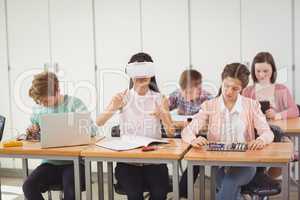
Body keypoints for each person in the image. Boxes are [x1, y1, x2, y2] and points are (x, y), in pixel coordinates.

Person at [182, 63, 274, 200]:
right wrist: (193, 139)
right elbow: (187, 131)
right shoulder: (209, 106)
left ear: (242, 88)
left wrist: (261, 140)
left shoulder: (251, 105)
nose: (229, 92)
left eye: (235, 88)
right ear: (222, 82)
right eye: (226, 86)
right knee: (229, 188)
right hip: (219, 165)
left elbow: (268, 133)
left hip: (246, 164)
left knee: (229, 183)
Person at [96, 52, 175, 200]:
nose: (141, 76)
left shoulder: (160, 98)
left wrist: (163, 115)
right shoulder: (122, 97)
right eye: (137, 71)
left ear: (151, 73)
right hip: (128, 163)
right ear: (131, 74)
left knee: (159, 195)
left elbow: (171, 133)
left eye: (145, 71)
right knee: (134, 196)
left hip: (155, 162)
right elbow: (99, 122)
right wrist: (113, 107)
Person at [22, 71, 96, 200]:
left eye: (45, 100)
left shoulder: (74, 104)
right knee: (28, 186)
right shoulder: (39, 110)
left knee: (70, 188)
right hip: (49, 163)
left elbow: (93, 131)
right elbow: (32, 136)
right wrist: (32, 132)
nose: (43, 104)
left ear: (57, 90)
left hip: (74, 163)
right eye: (40, 101)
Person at [243, 52, 299, 120]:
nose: (261, 75)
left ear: (273, 70)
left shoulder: (282, 89)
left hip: (278, 128)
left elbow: (295, 111)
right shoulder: (247, 91)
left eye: (265, 71)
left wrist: (277, 115)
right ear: (253, 71)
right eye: (258, 71)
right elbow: (242, 114)